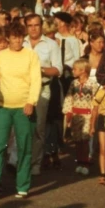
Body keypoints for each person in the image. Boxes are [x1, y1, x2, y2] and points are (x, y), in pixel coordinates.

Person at [0, 21, 40, 200]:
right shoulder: (0, 57)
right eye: (13, 37)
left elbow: (36, 80)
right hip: (2, 108)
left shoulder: (31, 56)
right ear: (8, 38)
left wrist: (31, 102)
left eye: (20, 37)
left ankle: (22, 185)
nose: (17, 41)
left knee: (24, 146)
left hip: (24, 107)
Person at [23, 13, 62, 175]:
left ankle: (35, 164)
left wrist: (40, 71)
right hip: (22, 89)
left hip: (42, 89)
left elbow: (57, 69)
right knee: (21, 127)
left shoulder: (51, 45)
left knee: (38, 127)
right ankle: (19, 161)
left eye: (36, 25)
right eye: (30, 25)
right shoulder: (21, 43)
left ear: (41, 26)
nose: (33, 28)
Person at [62, 57, 98, 175]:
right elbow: (69, 98)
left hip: (87, 115)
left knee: (85, 140)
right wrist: (68, 114)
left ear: (83, 71)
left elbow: (95, 102)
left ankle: (85, 163)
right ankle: (79, 162)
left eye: (75, 69)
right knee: (77, 140)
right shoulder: (74, 83)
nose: (73, 71)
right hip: (76, 115)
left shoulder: (92, 84)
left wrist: (93, 118)